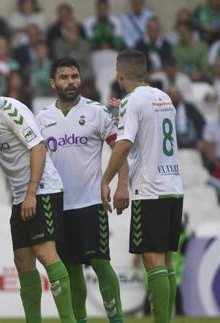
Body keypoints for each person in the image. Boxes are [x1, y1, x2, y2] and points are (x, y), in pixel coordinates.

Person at [0, 68, 76, 323]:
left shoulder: (10, 109)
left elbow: (37, 147)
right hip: (20, 196)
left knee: (45, 253)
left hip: (42, 190)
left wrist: (31, 192)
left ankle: (69, 319)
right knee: (22, 260)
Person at [36, 58, 128, 323]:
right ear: (53, 83)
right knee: (71, 270)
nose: (71, 82)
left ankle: (116, 319)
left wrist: (121, 184)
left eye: (74, 76)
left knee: (100, 263)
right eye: (64, 77)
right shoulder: (42, 118)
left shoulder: (97, 112)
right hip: (57, 206)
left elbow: (120, 149)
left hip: (90, 203)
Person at [102, 49, 184, 323]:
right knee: (167, 263)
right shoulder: (163, 98)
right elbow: (148, 129)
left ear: (119, 74)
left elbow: (124, 144)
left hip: (150, 189)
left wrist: (106, 180)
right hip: (173, 186)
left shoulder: (131, 102)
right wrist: (123, 109)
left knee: (152, 261)